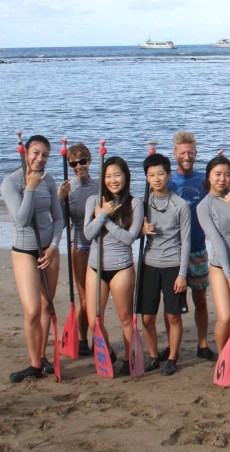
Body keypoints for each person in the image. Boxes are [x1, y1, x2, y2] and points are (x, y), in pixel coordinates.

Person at [3, 135, 63, 382]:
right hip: (24, 251)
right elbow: (22, 220)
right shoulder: (11, 182)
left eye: (45, 155)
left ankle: (42, 355)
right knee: (32, 310)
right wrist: (29, 188)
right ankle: (34, 363)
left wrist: (53, 247)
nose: (40, 159)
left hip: (48, 249)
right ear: (26, 152)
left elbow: (58, 219)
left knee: (47, 305)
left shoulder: (49, 180)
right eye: (36, 153)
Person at [84, 156, 143, 376]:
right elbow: (88, 234)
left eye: (117, 175)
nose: (113, 180)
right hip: (95, 267)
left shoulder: (134, 203)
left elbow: (129, 238)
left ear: (126, 176)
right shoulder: (93, 201)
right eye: (108, 176)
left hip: (122, 267)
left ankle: (129, 358)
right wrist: (101, 214)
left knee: (125, 318)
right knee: (94, 320)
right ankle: (107, 352)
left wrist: (105, 218)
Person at [140, 153, 191, 376]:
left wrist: (182, 274)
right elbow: (132, 233)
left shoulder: (180, 205)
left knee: (173, 316)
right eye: (152, 175)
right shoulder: (141, 204)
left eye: (161, 173)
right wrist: (140, 230)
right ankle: (153, 355)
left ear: (169, 175)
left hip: (172, 265)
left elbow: (186, 241)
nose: (157, 178)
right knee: (147, 317)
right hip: (149, 264)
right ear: (147, 179)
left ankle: (172, 356)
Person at [167, 131, 216, 361]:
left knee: (200, 299)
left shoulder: (203, 180)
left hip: (197, 249)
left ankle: (203, 344)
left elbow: (216, 202)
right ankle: (172, 347)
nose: (186, 156)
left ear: (195, 154)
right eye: (182, 152)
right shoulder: (167, 182)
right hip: (172, 252)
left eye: (190, 152)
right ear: (174, 154)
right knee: (173, 305)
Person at [196, 154, 230, 355]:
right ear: (209, 177)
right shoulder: (204, 206)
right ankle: (223, 356)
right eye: (217, 174)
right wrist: (229, 275)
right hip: (221, 267)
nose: (222, 179)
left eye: (227, 174)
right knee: (225, 317)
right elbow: (217, 241)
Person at [58, 143, 98, 357]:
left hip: (98, 247)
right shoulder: (66, 188)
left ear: (90, 161)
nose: (78, 166)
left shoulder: (98, 187)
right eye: (73, 163)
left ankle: (97, 338)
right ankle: (83, 339)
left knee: (96, 296)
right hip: (79, 246)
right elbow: (60, 222)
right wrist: (60, 199)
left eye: (82, 161)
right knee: (84, 297)